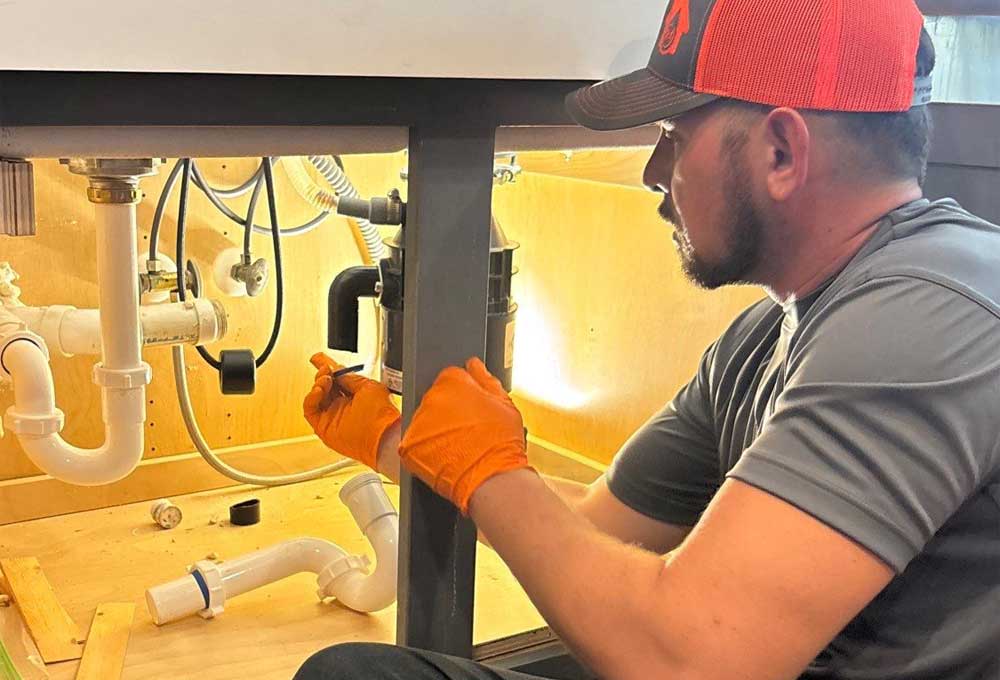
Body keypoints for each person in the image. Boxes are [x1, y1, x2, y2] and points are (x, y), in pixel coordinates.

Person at [295, 0, 1000, 678]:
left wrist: (487, 471)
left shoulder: (930, 317)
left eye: (674, 137)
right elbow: (599, 526)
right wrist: (403, 443)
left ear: (783, 152)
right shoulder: (766, 336)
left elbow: (690, 662)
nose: (653, 173)